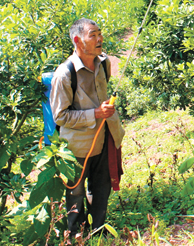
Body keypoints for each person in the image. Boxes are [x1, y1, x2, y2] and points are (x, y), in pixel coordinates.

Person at [50, 18, 125, 237]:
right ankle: (76, 236)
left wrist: (103, 115)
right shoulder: (64, 74)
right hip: (78, 145)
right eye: (92, 35)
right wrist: (95, 114)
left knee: (102, 187)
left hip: (105, 136)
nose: (99, 39)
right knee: (76, 192)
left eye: (99, 34)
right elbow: (60, 116)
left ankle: (98, 231)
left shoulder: (104, 63)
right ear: (77, 40)